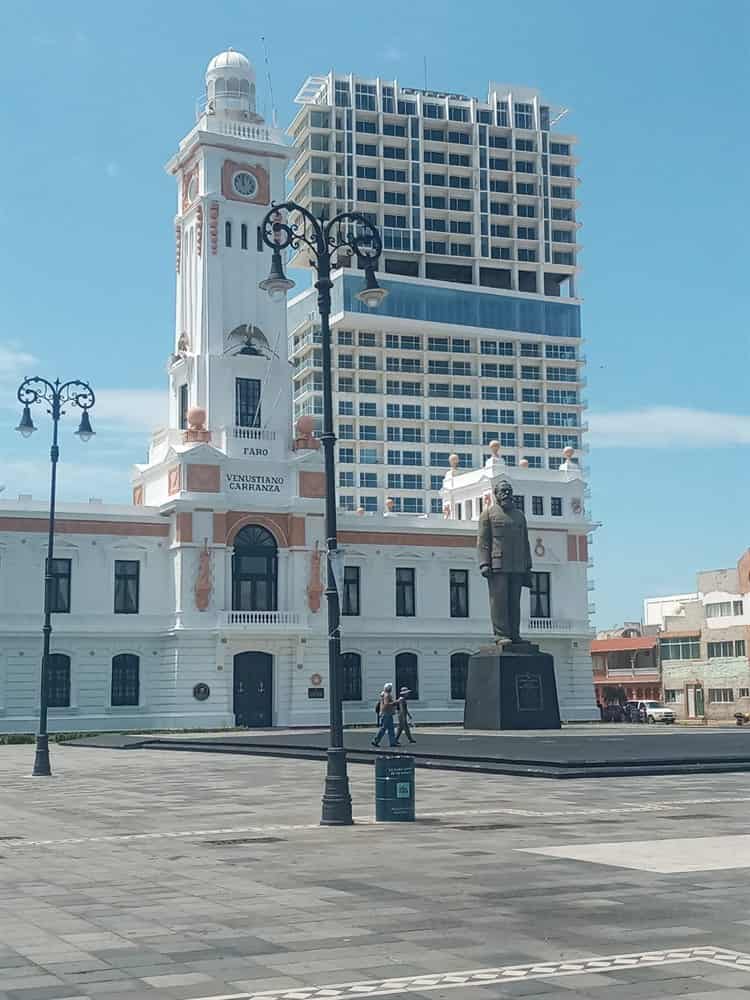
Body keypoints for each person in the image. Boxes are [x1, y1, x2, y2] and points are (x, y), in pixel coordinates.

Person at [477, 479, 533, 644]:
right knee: (499, 602)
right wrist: (483, 563)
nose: (507, 494)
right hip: (497, 565)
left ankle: (514, 634)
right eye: (503, 491)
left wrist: (528, 566)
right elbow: (483, 541)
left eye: (509, 491)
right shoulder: (488, 514)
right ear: (496, 494)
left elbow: (525, 542)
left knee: (514, 603)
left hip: (517, 565)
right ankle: (501, 634)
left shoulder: (519, 516)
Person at [372, 682, 398, 747]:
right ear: (388, 688)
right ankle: (376, 740)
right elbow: (386, 704)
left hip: (387, 713)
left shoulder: (384, 695)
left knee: (391, 728)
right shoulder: (387, 695)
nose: (391, 689)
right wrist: (395, 702)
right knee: (384, 728)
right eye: (391, 687)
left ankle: (392, 742)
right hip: (387, 714)